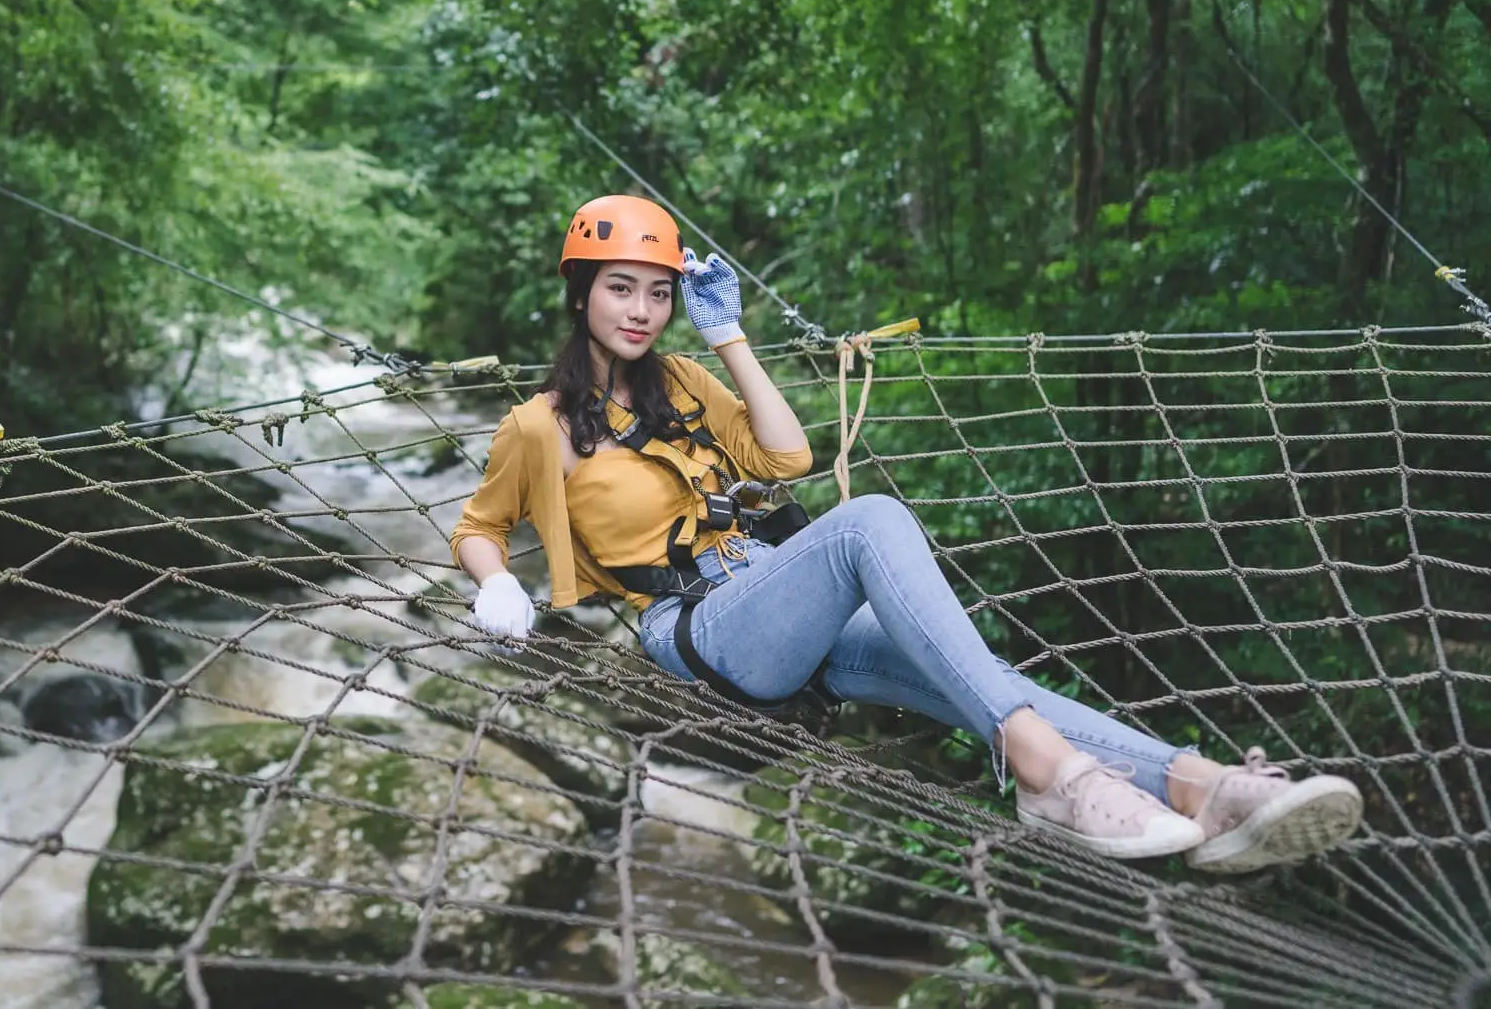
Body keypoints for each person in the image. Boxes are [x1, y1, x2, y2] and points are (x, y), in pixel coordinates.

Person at [448, 194, 1365, 870]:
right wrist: (495, 580)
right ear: (581, 293)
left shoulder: (683, 380)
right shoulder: (538, 426)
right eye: (620, 289)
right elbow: (479, 526)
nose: (642, 310)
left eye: (657, 292)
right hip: (701, 631)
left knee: (979, 678)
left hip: (778, 594)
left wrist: (728, 336)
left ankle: (1204, 788)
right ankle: (1050, 777)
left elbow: (787, 457)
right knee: (871, 521)